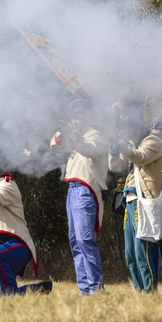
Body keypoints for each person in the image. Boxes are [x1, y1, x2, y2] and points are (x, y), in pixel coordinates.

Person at [50, 99, 108, 296]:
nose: (75, 121)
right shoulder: (77, 137)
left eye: (79, 116)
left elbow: (87, 150)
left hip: (86, 190)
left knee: (85, 239)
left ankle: (96, 287)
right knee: (75, 241)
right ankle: (85, 288)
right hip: (73, 189)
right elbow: (54, 145)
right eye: (73, 117)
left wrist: (74, 135)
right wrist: (64, 130)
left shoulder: (96, 136)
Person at [0, 156, 52, 295]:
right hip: (4, 246)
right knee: (1, 296)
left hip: (18, 243)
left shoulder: (7, 184)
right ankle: (40, 289)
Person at [108, 101, 162, 292]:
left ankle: (149, 291)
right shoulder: (133, 144)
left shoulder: (152, 142)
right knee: (131, 254)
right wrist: (113, 150)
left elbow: (139, 157)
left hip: (144, 200)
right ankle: (140, 291)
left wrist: (121, 145)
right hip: (131, 201)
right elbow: (115, 167)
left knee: (144, 252)